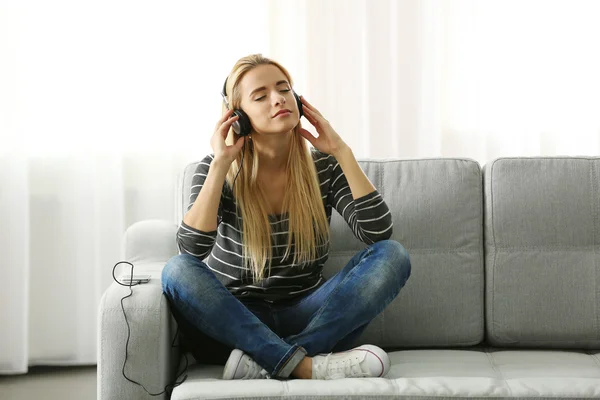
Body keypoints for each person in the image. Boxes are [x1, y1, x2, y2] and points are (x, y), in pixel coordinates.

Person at [161, 54, 411, 381]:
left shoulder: (323, 167)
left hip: (308, 317)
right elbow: (193, 249)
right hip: (234, 325)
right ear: (237, 117)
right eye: (260, 96)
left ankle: (275, 360)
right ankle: (305, 366)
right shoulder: (213, 169)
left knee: (393, 256)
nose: (278, 99)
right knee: (177, 269)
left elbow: (377, 233)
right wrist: (221, 164)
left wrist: (341, 151)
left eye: (284, 89)